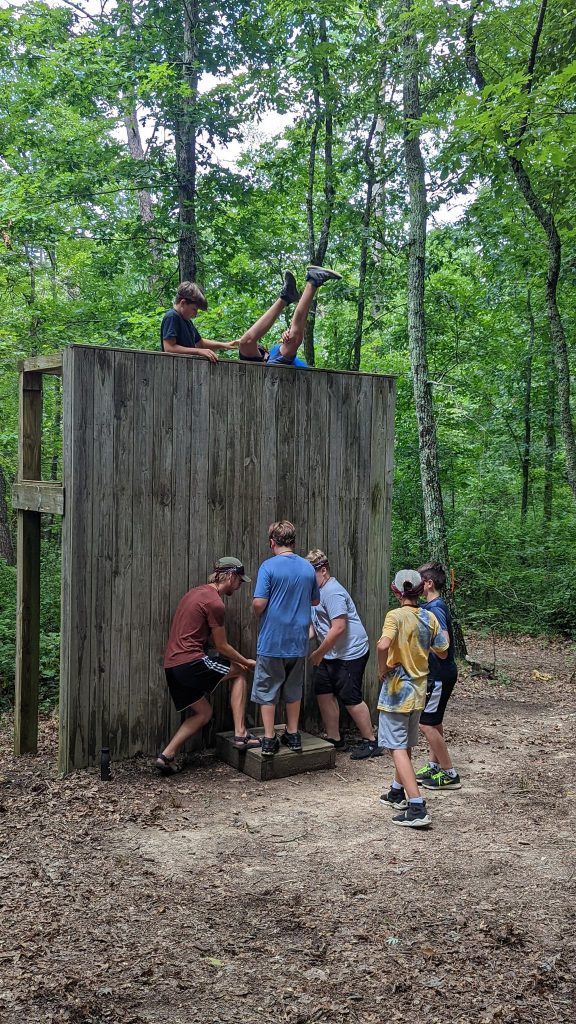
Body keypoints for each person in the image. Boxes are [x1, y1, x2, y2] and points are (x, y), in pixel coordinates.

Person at [156, 557, 258, 775]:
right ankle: (241, 734)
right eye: (240, 580)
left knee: (204, 713)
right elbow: (221, 645)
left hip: (172, 666)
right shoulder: (215, 603)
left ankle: (166, 756)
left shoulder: (195, 593)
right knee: (240, 672)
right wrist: (245, 661)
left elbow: (205, 636)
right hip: (190, 661)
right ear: (230, 576)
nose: (240, 585)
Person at [377, 569, 449, 829]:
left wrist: (382, 668)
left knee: (396, 747)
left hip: (396, 691)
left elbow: (382, 645)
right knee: (404, 743)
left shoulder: (395, 616)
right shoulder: (429, 617)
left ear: (397, 592)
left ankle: (417, 806)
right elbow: (443, 650)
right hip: (419, 690)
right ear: (420, 591)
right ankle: (397, 792)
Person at [251, 521, 320, 757]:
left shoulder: (268, 567)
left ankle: (269, 738)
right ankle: (293, 733)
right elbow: (315, 600)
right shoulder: (308, 568)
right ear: (293, 542)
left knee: (267, 688)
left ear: (272, 542)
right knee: (293, 688)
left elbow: (259, 603)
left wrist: (258, 609)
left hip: (273, 640)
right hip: (298, 641)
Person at [306, 549, 380, 759]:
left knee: (350, 697)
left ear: (323, 570)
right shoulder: (315, 593)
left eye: (310, 574)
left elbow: (339, 627)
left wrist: (318, 653)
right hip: (330, 652)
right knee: (323, 691)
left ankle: (371, 742)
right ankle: (334, 738)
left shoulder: (332, 592)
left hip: (350, 652)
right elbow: (316, 626)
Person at [415, 562, 461, 791]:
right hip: (437, 673)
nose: (415, 586)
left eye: (419, 581)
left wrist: (421, 643)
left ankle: (450, 774)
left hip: (440, 675)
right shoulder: (431, 606)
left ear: (429, 583)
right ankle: (434, 766)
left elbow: (444, 646)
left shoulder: (435, 609)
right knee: (435, 721)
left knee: (426, 724)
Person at [238, 266, 342, 366]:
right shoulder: (281, 353)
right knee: (292, 339)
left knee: (245, 342)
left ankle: (287, 296)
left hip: (273, 361)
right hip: (274, 366)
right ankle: (312, 282)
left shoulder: (274, 353)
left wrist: (285, 337)